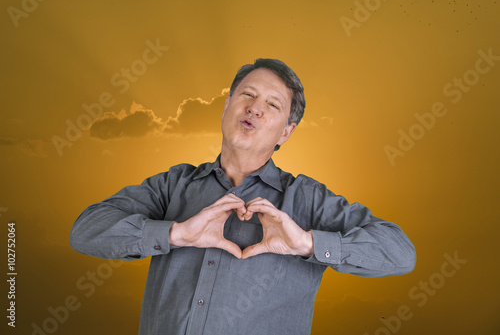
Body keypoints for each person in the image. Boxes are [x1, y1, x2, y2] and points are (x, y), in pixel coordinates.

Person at [70, 58, 416, 335]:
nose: (254, 108)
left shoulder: (307, 199)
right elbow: (86, 230)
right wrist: (176, 233)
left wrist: (307, 244)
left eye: (272, 104)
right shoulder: (174, 185)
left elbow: (400, 253)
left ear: (286, 132)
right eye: (247, 95)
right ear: (226, 106)